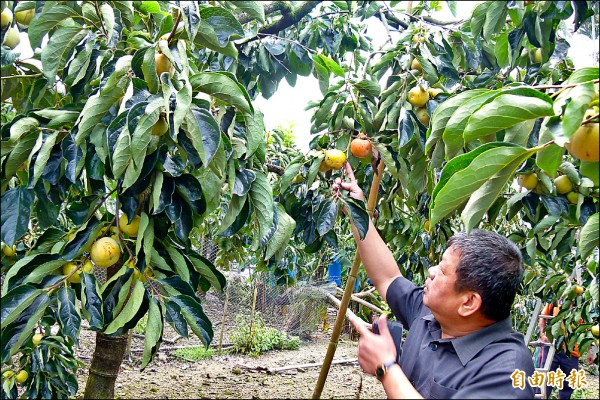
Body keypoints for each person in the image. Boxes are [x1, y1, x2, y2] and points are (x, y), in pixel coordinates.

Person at [333, 162, 535, 399]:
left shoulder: (506, 370)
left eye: (443, 271)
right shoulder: (431, 315)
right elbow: (388, 277)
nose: (431, 271)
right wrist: (356, 210)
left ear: (469, 302)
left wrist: (386, 368)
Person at [538, 302, 581, 399]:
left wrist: (590, 351)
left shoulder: (582, 304)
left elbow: (587, 330)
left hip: (572, 351)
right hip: (552, 346)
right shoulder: (556, 300)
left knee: (569, 383)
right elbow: (543, 317)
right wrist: (542, 334)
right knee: (545, 380)